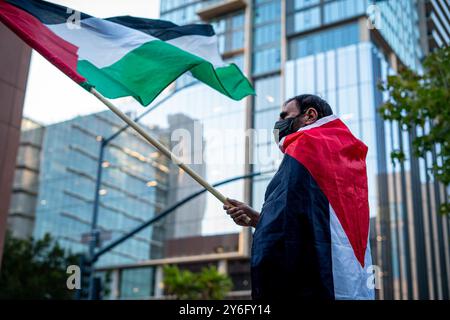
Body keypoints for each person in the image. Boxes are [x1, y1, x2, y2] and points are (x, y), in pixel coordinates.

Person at [224, 94, 375, 300]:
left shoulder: (306, 144)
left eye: (285, 115)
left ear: (310, 115)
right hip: (348, 281)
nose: (279, 123)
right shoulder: (344, 154)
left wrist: (264, 222)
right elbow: (309, 223)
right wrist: (259, 220)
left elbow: (287, 225)